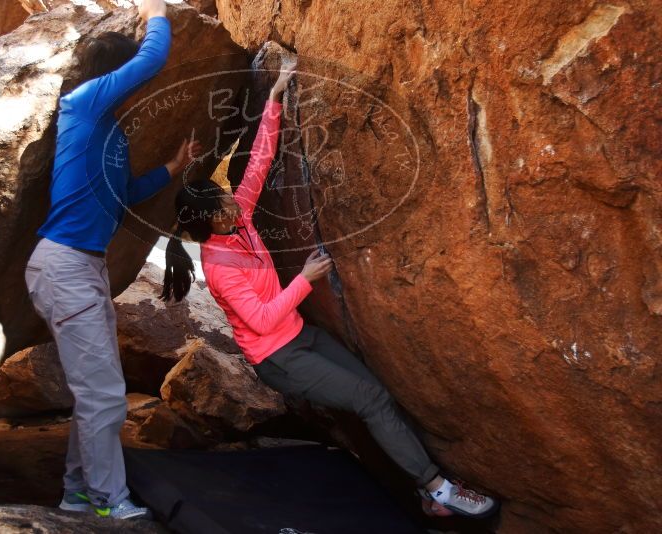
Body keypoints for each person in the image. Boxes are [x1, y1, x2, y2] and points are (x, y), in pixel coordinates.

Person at [160, 64, 498, 519]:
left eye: (224, 194)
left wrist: (276, 95)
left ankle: (421, 489)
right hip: (278, 357)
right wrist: (306, 278)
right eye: (222, 201)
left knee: (375, 392)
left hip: (299, 334)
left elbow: (260, 160)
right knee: (370, 400)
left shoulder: (237, 219)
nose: (231, 198)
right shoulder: (220, 265)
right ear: (213, 221)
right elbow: (259, 320)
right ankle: (436, 490)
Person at [25, 0, 200, 520]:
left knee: (97, 389)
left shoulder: (113, 133)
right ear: (114, 74)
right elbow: (152, 60)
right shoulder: (82, 103)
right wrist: (156, 11)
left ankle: (78, 491)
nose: (138, 87)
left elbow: (122, 194)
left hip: (87, 266)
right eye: (128, 78)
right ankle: (107, 498)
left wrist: (173, 167)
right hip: (63, 264)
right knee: (104, 391)